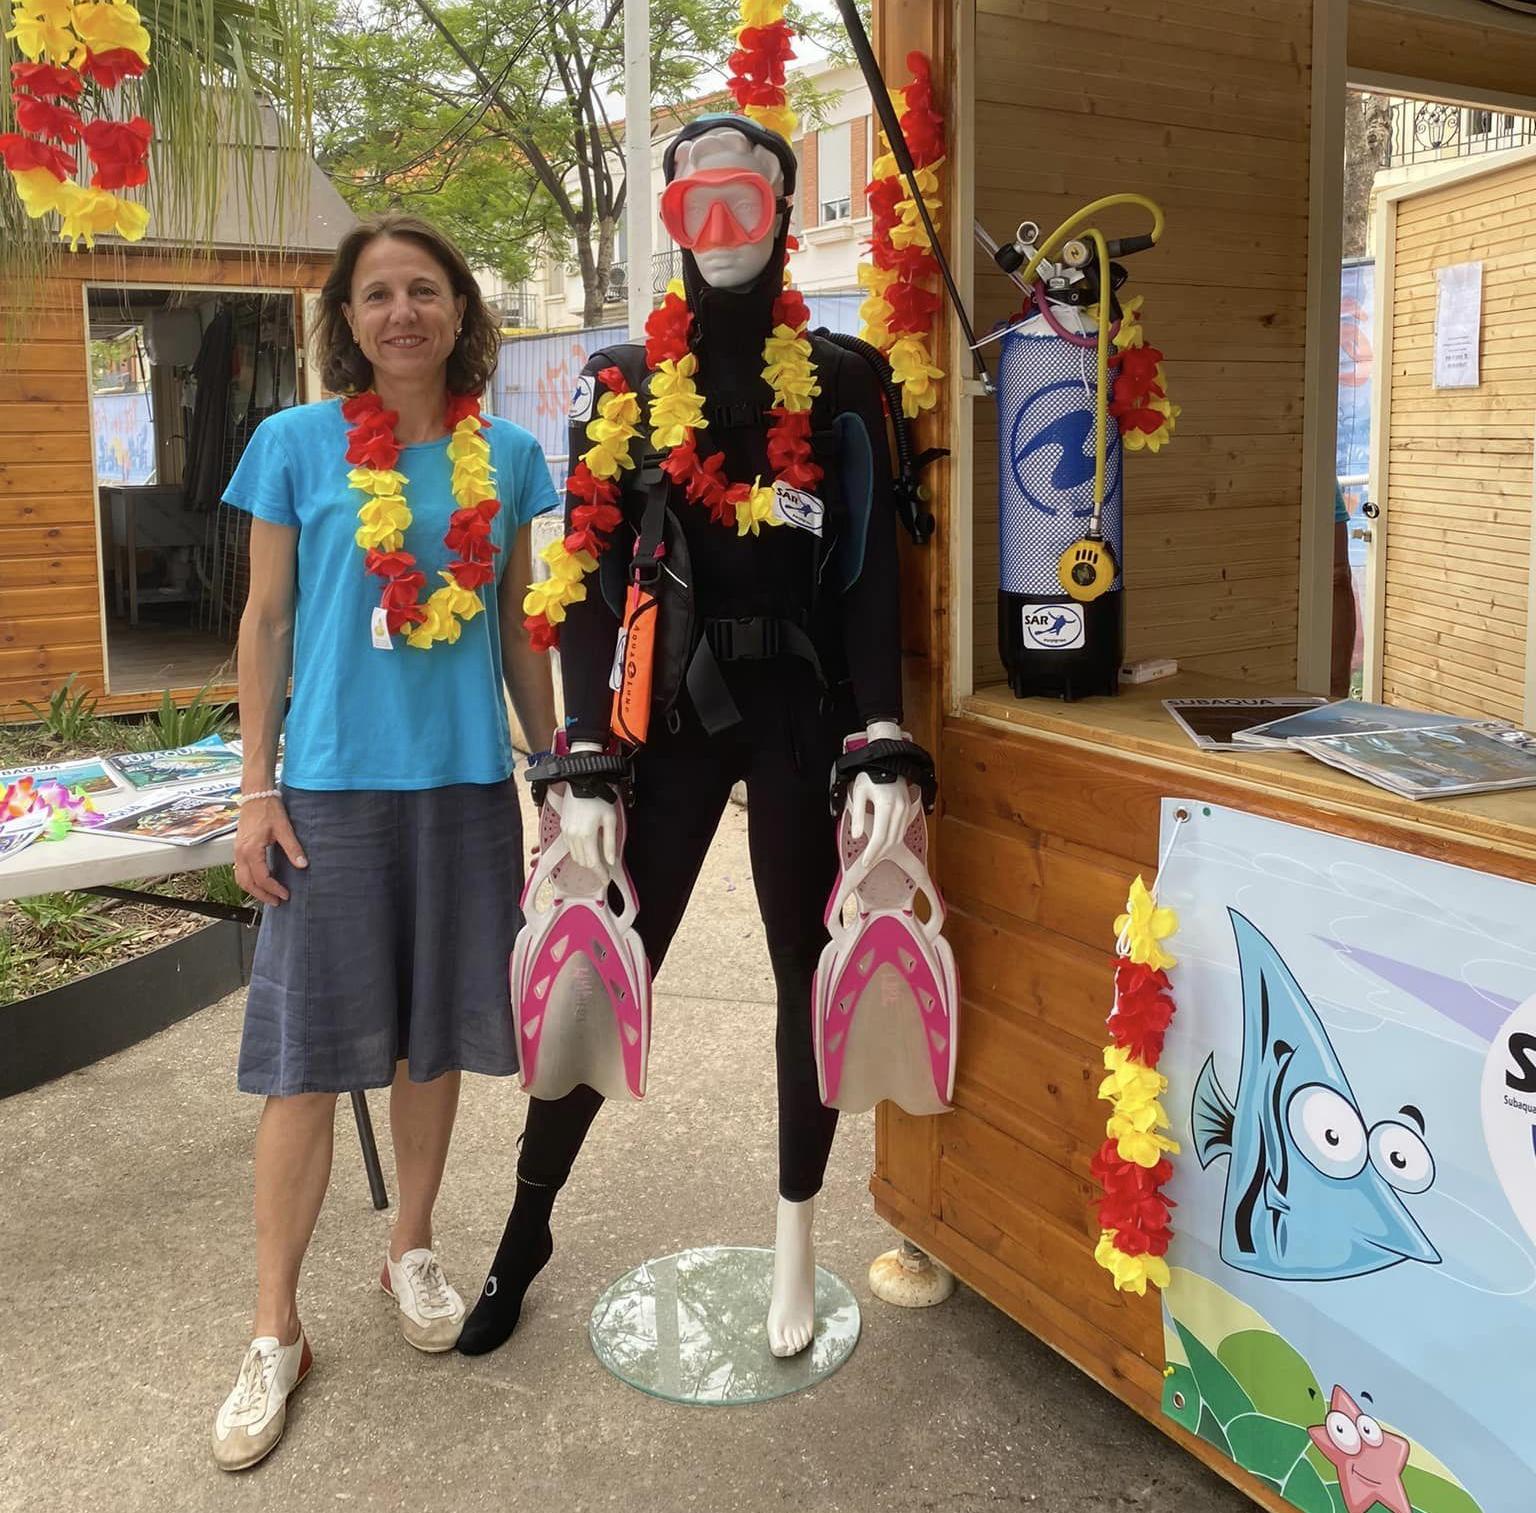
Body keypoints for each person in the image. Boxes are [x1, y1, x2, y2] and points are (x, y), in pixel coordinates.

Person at [457, 116, 914, 1362]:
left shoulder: (844, 376)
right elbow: (584, 573)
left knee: (803, 968)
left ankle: (796, 1233)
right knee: (601, 961)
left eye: (742, 202)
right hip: (665, 719)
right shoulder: (619, 385)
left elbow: (872, 574)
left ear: (783, 209)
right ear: (665, 219)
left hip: (802, 714)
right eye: (691, 207)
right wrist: (584, 755)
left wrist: (882, 731)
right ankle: (525, 1227)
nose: (718, 232)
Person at [210, 212, 557, 1471]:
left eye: (424, 290)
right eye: (376, 295)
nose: (401, 312)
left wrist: (557, 775)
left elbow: (518, 625)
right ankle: (275, 1328)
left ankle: (410, 1244)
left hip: (464, 788)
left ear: (461, 311)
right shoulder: (294, 444)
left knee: (435, 1035)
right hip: (333, 794)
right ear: (347, 322)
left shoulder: (507, 455)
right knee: (304, 1064)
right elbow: (265, 622)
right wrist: (257, 790)